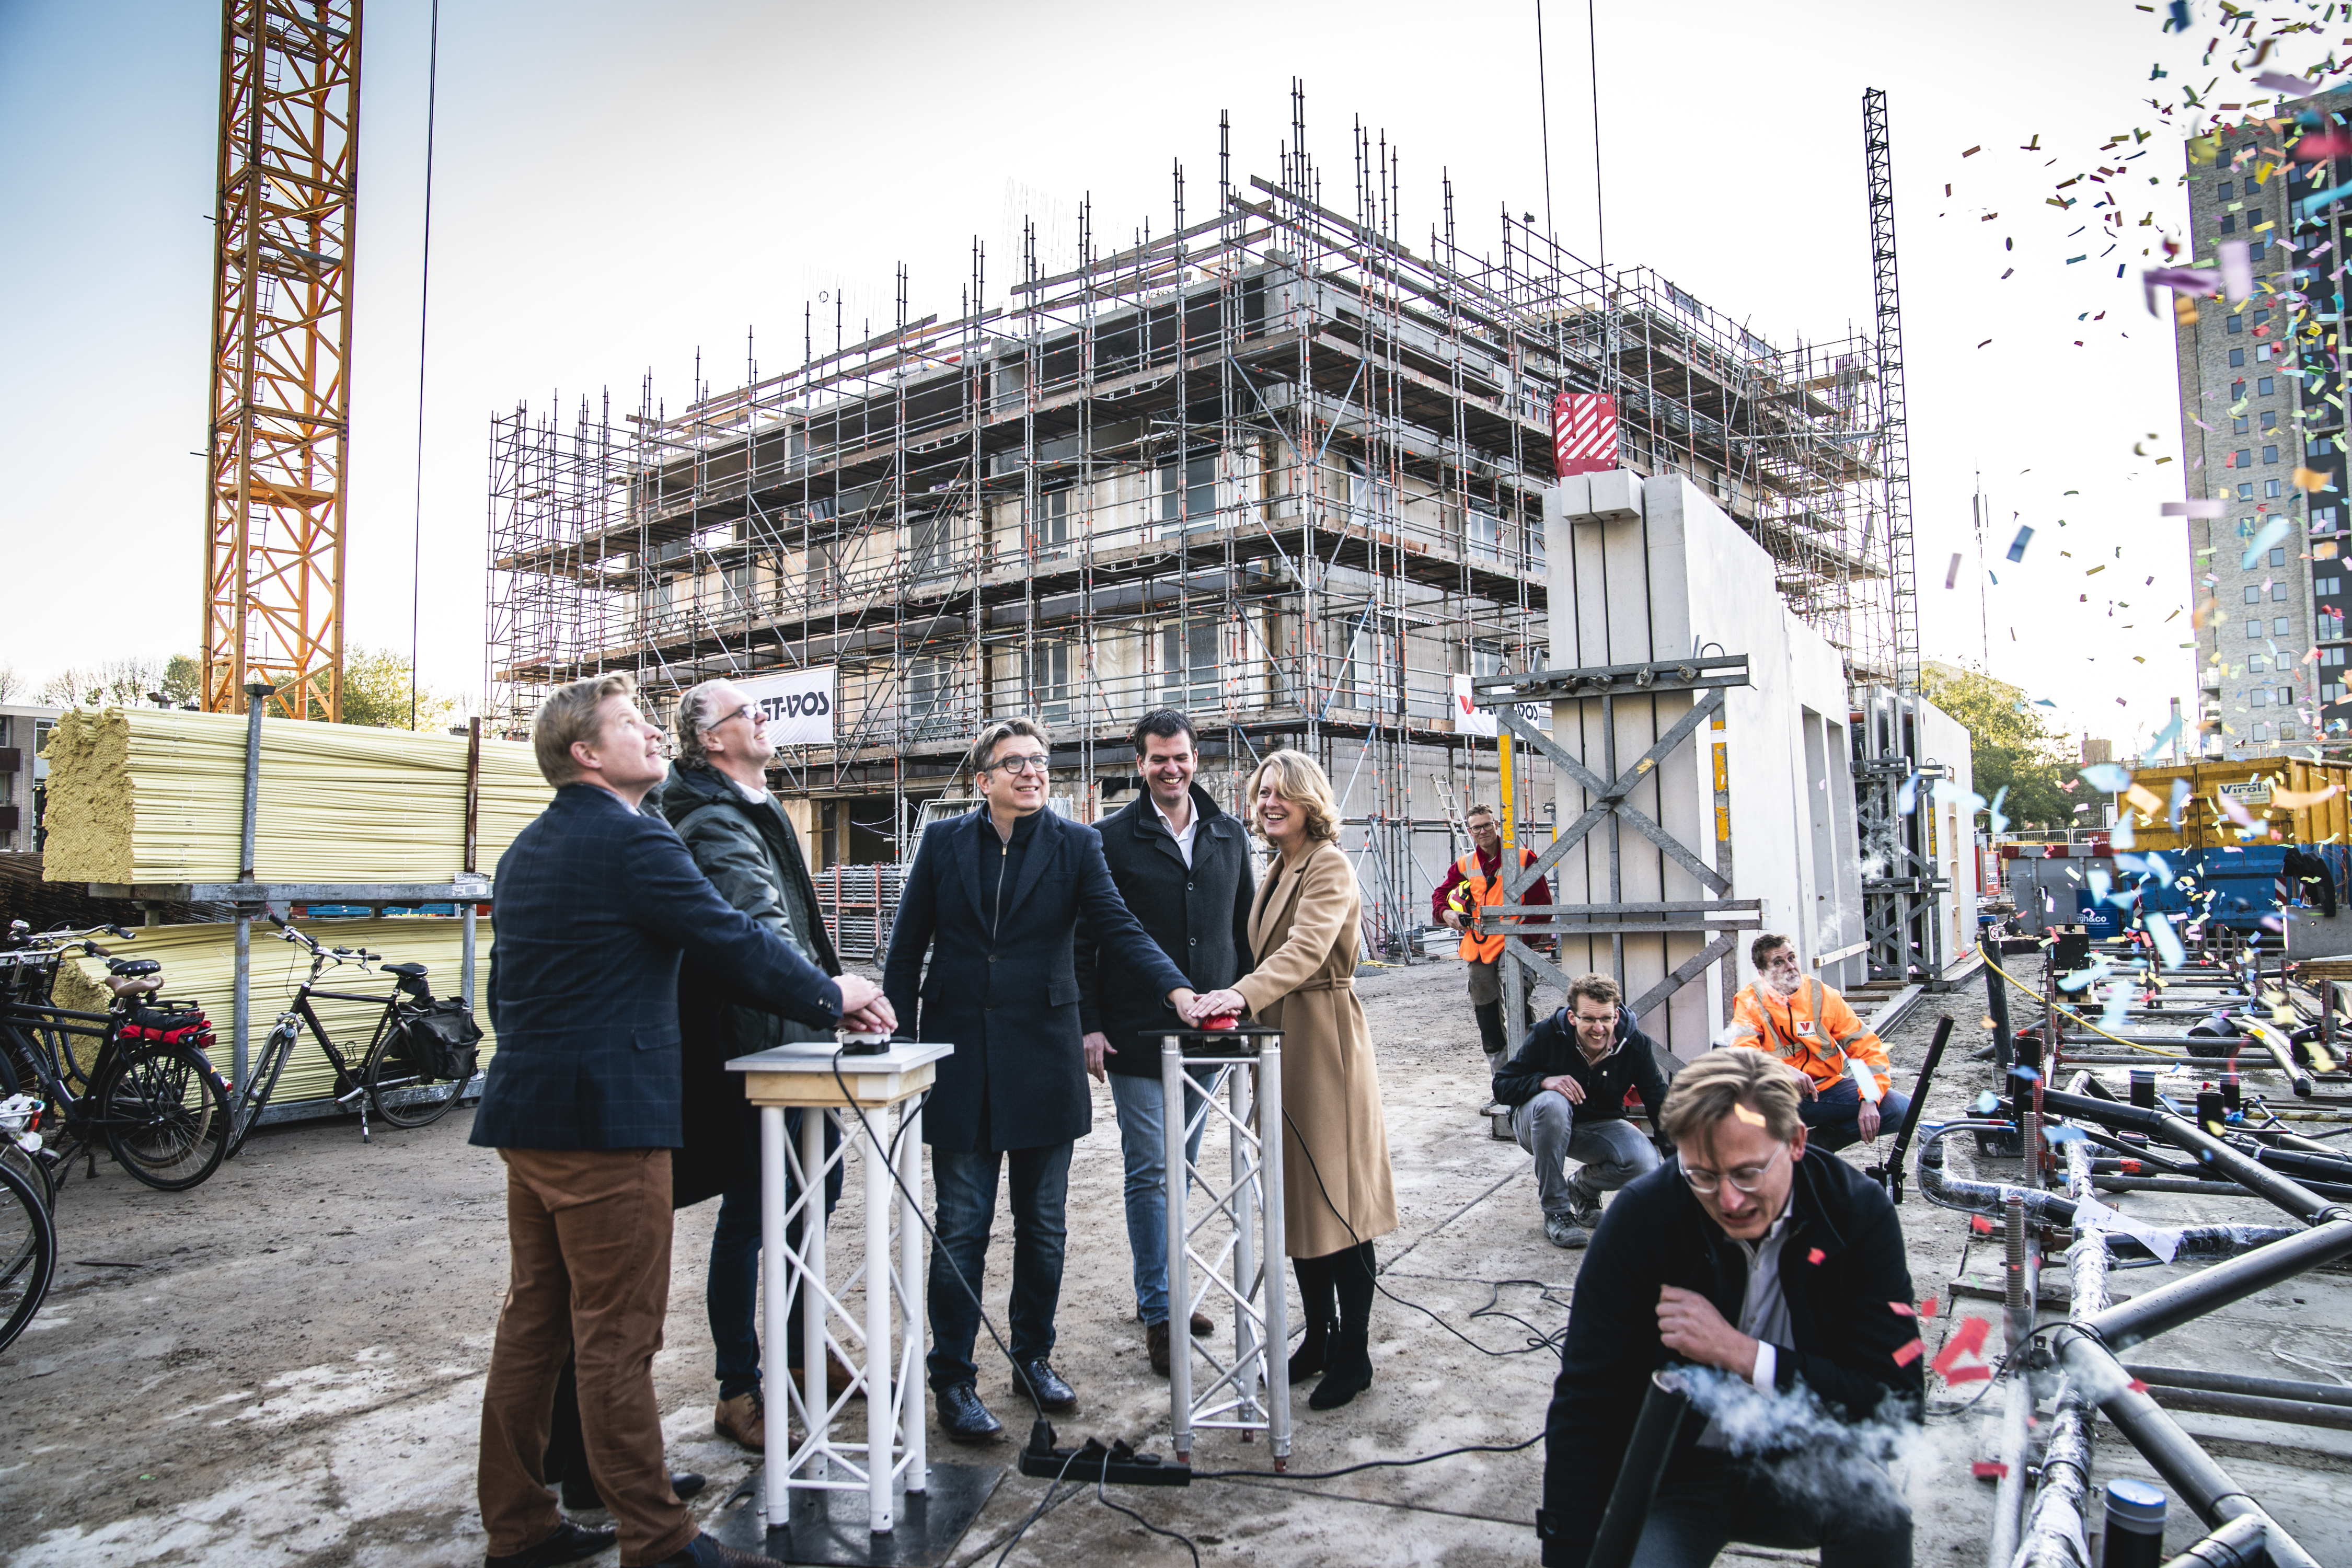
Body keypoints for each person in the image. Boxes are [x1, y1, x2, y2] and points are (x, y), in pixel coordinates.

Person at [472, 671, 893, 1568]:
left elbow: (499, 992)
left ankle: (527, 1521)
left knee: (535, 1329)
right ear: (587, 753)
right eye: (632, 725)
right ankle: (658, 1539)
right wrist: (834, 992)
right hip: (610, 1128)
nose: (652, 735)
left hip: (527, 1116)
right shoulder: (637, 843)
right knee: (618, 1337)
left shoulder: (526, 849)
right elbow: (732, 938)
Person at [882, 718, 1197, 1444]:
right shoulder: (941, 843)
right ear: (983, 779)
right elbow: (905, 952)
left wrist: (1178, 993)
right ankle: (952, 1378)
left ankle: (1032, 1357)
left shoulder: (1075, 844)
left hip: (1044, 1059)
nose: (1030, 772)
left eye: (1038, 761)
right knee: (962, 1225)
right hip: (958, 1057)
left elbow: (1120, 929)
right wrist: (898, 1046)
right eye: (1013, 762)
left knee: (1044, 1225)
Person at [1537, 1048, 1922, 1568]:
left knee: (1879, 1516)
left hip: (1805, 1454)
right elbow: (1587, 1402)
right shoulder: (1644, 1215)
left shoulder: (1856, 1213)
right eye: (1702, 1176)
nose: (1729, 1200)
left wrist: (1742, 1353)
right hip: (1679, 1473)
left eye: (1747, 1174)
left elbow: (1894, 1401)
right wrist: (1567, 1551)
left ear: (1797, 1142)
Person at [660, 678, 857, 1453]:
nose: (764, 718)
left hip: (788, 1035)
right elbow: (762, 932)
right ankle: (738, 1385)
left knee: (821, 1180)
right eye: (748, 712)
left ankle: (803, 1354)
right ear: (712, 740)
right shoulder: (714, 821)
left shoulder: (753, 805)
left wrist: (823, 1004)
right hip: (752, 1045)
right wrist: (832, 998)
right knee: (754, 1209)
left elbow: (793, 929)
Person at [1186, 750, 1398, 1412]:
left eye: (1282, 793)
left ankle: (1354, 1352)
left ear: (1311, 801)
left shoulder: (1328, 865)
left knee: (1341, 1202)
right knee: (1298, 1202)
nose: (1268, 803)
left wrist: (1238, 996)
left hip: (1324, 1041)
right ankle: (1321, 1338)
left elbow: (1307, 951)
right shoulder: (1279, 867)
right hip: (1283, 1041)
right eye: (1262, 793)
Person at [1075, 709, 1258, 1376]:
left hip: (1210, 1033)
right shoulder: (1109, 840)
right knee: (1150, 1170)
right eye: (1158, 759)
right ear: (1140, 762)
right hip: (1135, 1032)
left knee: (1179, 1168)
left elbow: (1246, 932)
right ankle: (1160, 1310)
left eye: (1180, 757)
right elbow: (1086, 941)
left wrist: (1242, 1004)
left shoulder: (1229, 834)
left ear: (1196, 758)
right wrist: (1088, 1022)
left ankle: (1169, 1287)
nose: (1170, 769)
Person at [1491, 972, 1670, 1249]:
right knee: (1553, 1103)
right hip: (1539, 1123)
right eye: (1589, 1019)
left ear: (1617, 1017)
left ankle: (1583, 1189)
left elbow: (1661, 1106)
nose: (1598, 1028)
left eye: (1605, 1019)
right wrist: (1543, 1081)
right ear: (1573, 1017)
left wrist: (1679, 1173)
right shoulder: (1547, 1034)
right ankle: (1557, 1212)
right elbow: (1502, 1086)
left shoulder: (1636, 1045)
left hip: (1596, 1125)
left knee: (1644, 1163)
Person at [1726, 935, 1910, 1154]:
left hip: (1825, 1091)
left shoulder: (1823, 995)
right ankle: (1773, 1156)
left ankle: (1814, 1148)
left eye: (1792, 958)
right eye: (1779, 962)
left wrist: (1869, 1098)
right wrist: (1782, 1071)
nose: (1790, 967)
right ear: (1763, 973)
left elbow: (1864, 1048)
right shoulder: (1749, 1001)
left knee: (1901, 1110)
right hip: (1775, 1095)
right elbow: (1742, 1052)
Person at [1431, 803, 1553, 1099]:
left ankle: (1528, 1081)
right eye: (1476, 828)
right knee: (1487, 1016)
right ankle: (1504, 1086)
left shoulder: (1522, 858)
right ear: (1470, 832)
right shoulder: (1465, 864)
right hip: (1479, 949)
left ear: (1496, 825)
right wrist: (1446, 914)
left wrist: (1523, 937)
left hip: (1514, 947)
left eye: (1487, 825)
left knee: (1518, 1012)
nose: (1483, 832)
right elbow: (1440, 896)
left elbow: (1542, 907)